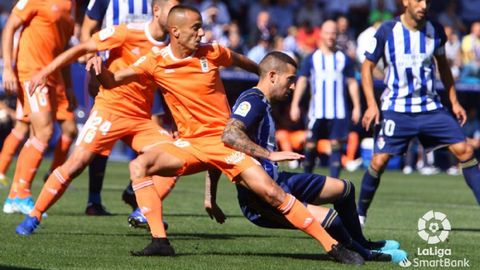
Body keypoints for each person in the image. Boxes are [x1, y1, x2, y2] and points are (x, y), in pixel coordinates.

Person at [77, 5, 363, 263]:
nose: (203, 33)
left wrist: (267, 78)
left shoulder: (212, 52)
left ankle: (332, 247)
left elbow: (248, 64)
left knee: (273, 193)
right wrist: (99, 70)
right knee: (139, 165)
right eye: (196, 28)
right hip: (189, 144)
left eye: (202, 26)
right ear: (175, 32)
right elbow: (113, 80)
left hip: (224, 141)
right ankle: (159, 240)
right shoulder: (155, 61)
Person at [214, 51, 407, 263]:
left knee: (345, 189)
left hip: (279, 181)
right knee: (331, 220)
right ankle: (367, 255)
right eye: (290, 80)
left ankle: (363, 243)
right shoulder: (253, 101)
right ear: (272, 76)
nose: (293, 86)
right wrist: (269, 154)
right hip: (261, 198)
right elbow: (230, 134)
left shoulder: (262, 101)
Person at [14, 0, 181, 234]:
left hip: (140, 119)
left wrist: (176, 123)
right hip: (110, 110)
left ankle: (143, 212)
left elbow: (174, 89)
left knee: (177, 157)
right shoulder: (127, 32)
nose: (178, 17)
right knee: (76, 163)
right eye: (173, 12)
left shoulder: (172, 48)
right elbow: (82, 47)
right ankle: (35, 215)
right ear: (156, 11)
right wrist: (46, 72)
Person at [357, 0, 480, 227]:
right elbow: (366, 66)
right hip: (396, 109)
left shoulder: (436, 30)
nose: (423, 5)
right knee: (378, 161)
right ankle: (359, 215)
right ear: (405, 2)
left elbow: (443, 66)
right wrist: (371, 104)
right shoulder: (387, 30)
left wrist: (454, 102)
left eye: (427, 1)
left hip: (429, 108)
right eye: (418, 0)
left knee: (465, 150)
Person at [1, 0, 78, 215]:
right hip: (32, 72)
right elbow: (9, 28)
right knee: (42, 131)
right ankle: (22, 193)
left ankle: (24, 190)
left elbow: (63, 50)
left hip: (56, 76)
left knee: (70, 129)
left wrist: (69, 86)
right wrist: (8, 67)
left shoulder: (71, 6)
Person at [80, 0, 155, 216]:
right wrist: (93, 66)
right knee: (103, 136)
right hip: (110, 74)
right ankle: (94, 199)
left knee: (149, 133)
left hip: (147, 77)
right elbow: (87, 29)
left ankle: (136, 193)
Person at [290, 20, 361, 178]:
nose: (331, 36)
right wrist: (295, 104)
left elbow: (352, 83)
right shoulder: (311, 58)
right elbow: (302, 81)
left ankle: (335, 185)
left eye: (334, 33)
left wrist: (356, 106)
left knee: (336, 145)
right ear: (321, 34)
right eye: (328, 32)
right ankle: (305, 180)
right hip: (317, 111)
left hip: (338, 111)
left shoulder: (344, 59)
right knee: (310, 145)